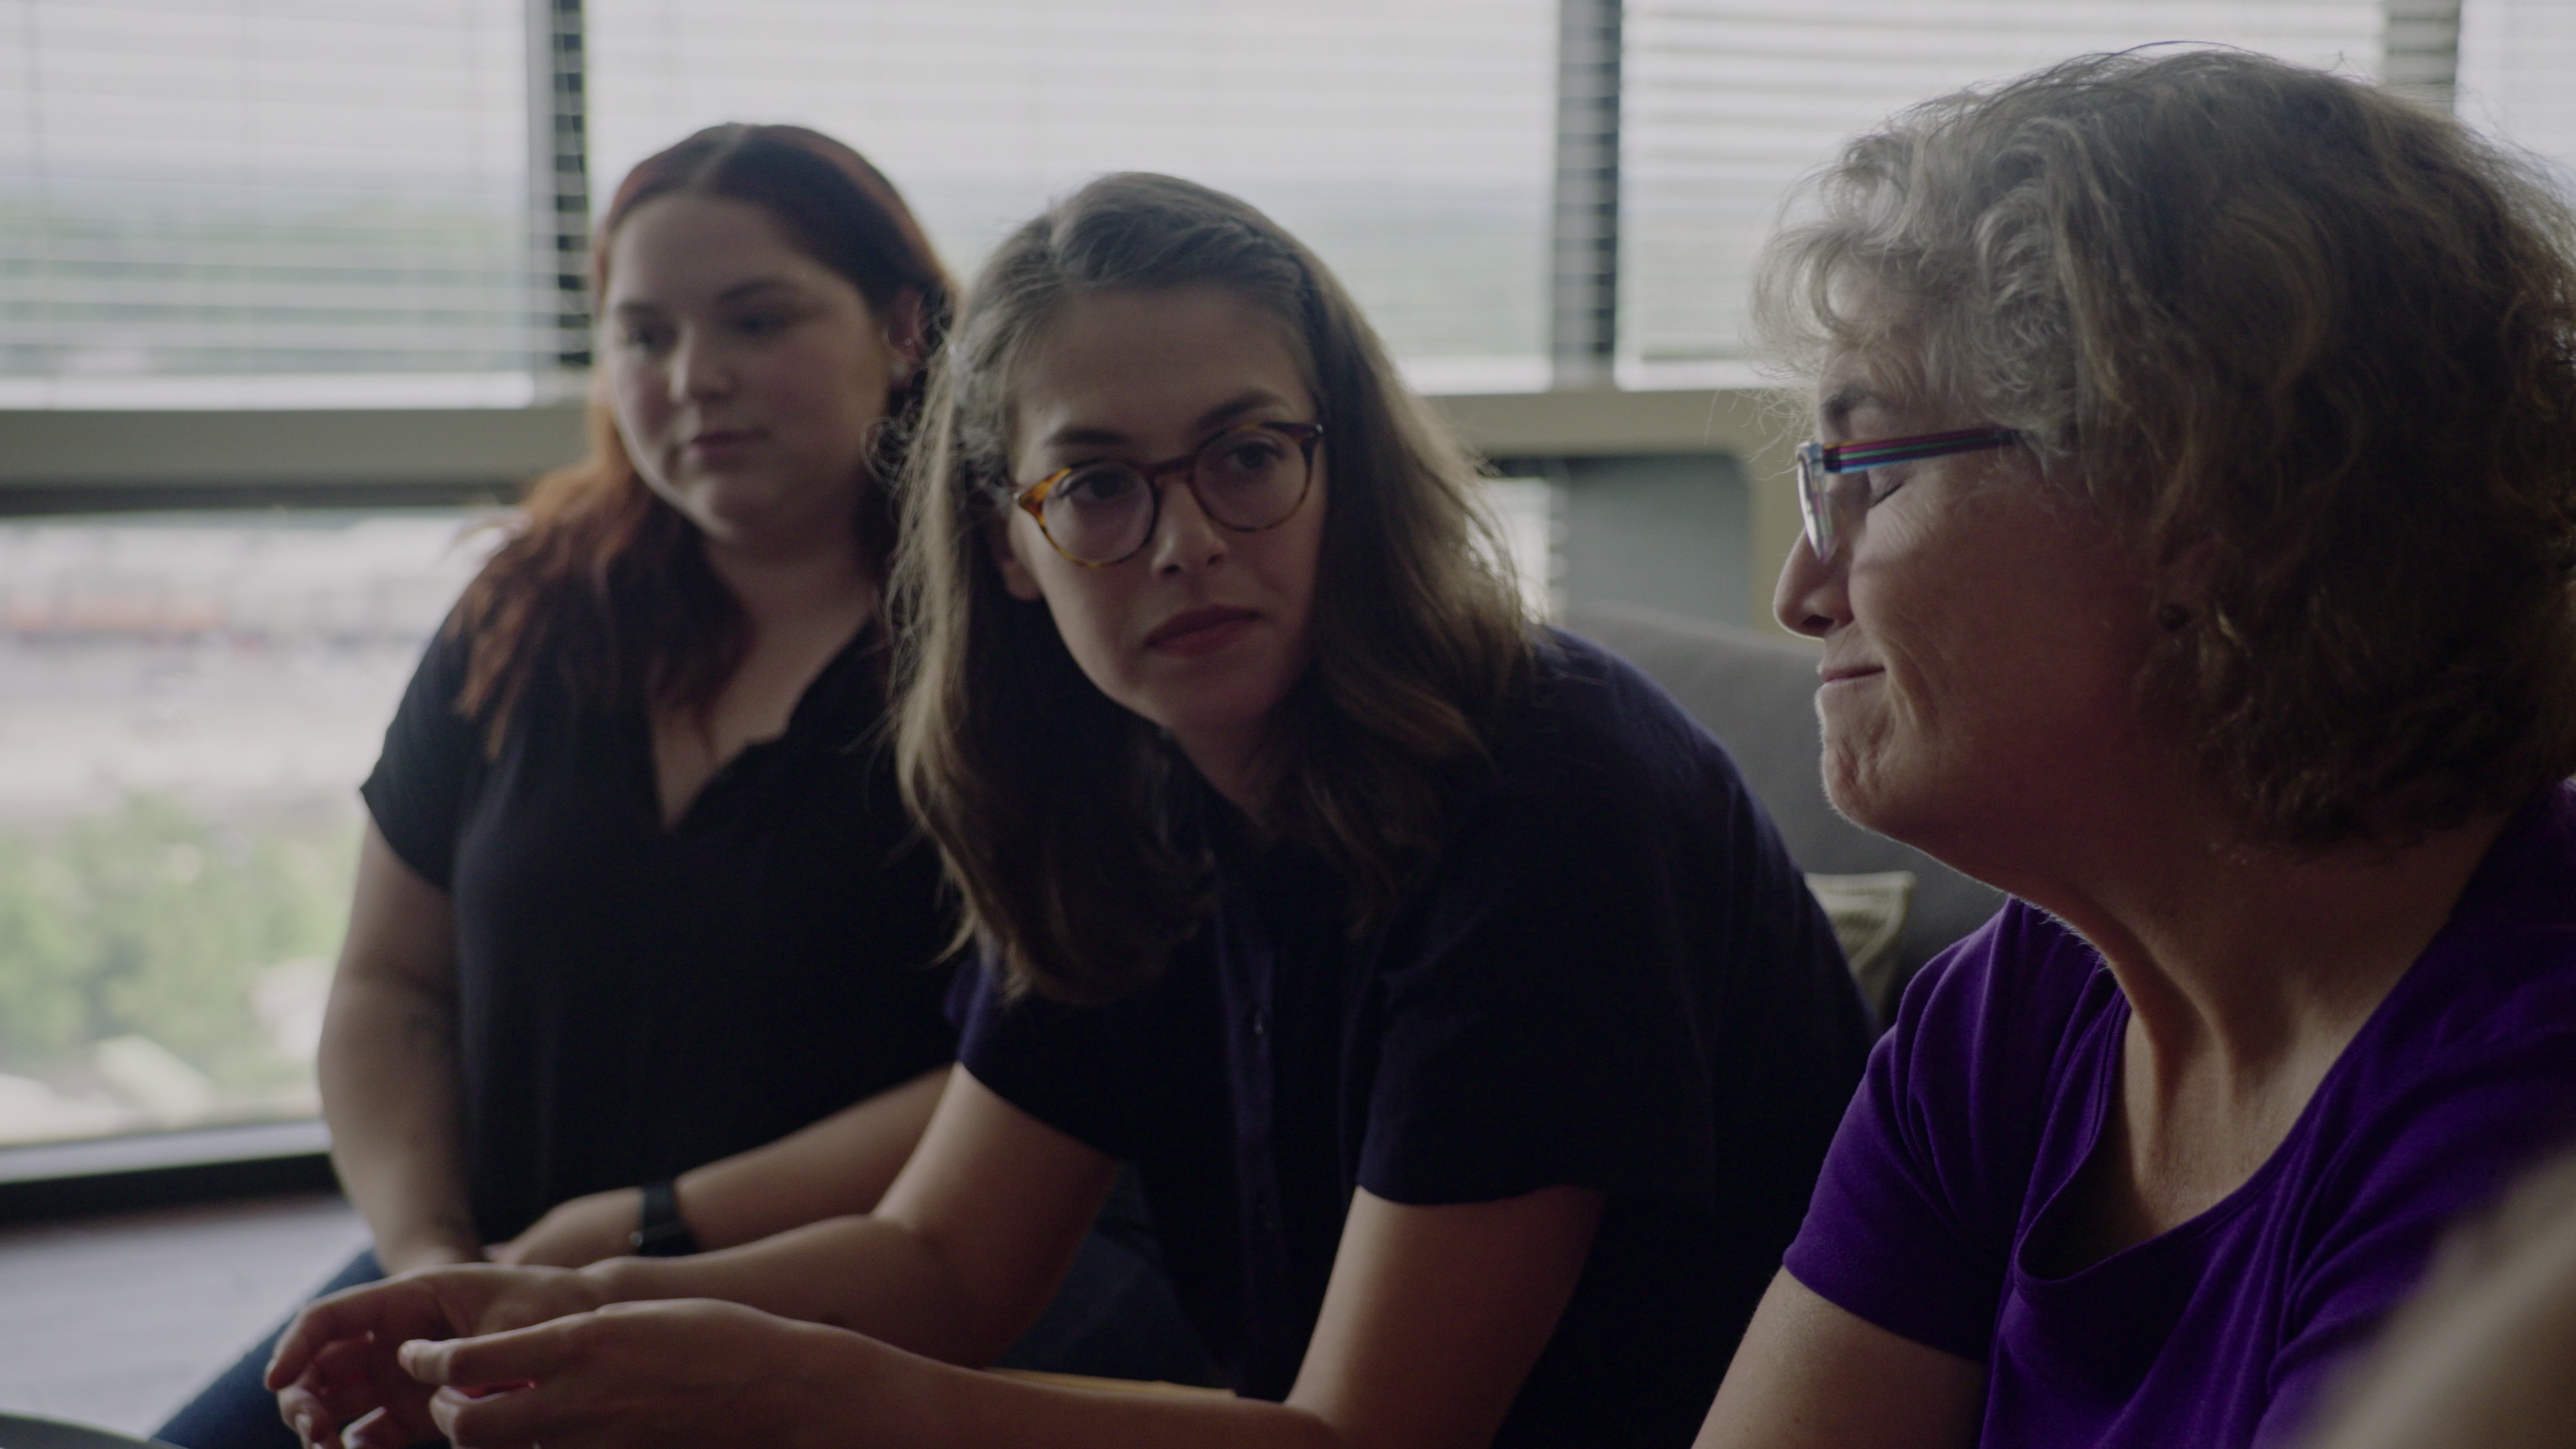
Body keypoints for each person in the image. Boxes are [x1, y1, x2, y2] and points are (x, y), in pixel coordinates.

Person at [262, 172, 1874, 1449]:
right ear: (1011, 542)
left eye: (1246, 455)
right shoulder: (1111, 784)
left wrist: (821, 1399)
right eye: (1096, 484)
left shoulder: (1553, 797)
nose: (1180, 542)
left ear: (1350, 466)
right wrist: (573, 1309)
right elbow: (944, 1261)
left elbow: (1374, 1437)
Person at [159, 125, 1205, 1449]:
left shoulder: (1020, 637)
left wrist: (650, 1224)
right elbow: (387, 986)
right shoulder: (525, 617)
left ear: (900, 329)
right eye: (643, 336)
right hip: (514, 1262)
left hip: (907, 1278)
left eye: (757, 320)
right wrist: (430, 1262)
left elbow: (1050, 1066)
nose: (697, 378)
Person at [1693, 48, 2576, 1449]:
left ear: (2205, 507)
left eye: (1867, 474)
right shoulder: (2017, 1012)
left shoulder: (2528, 1106)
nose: (1802, 597)